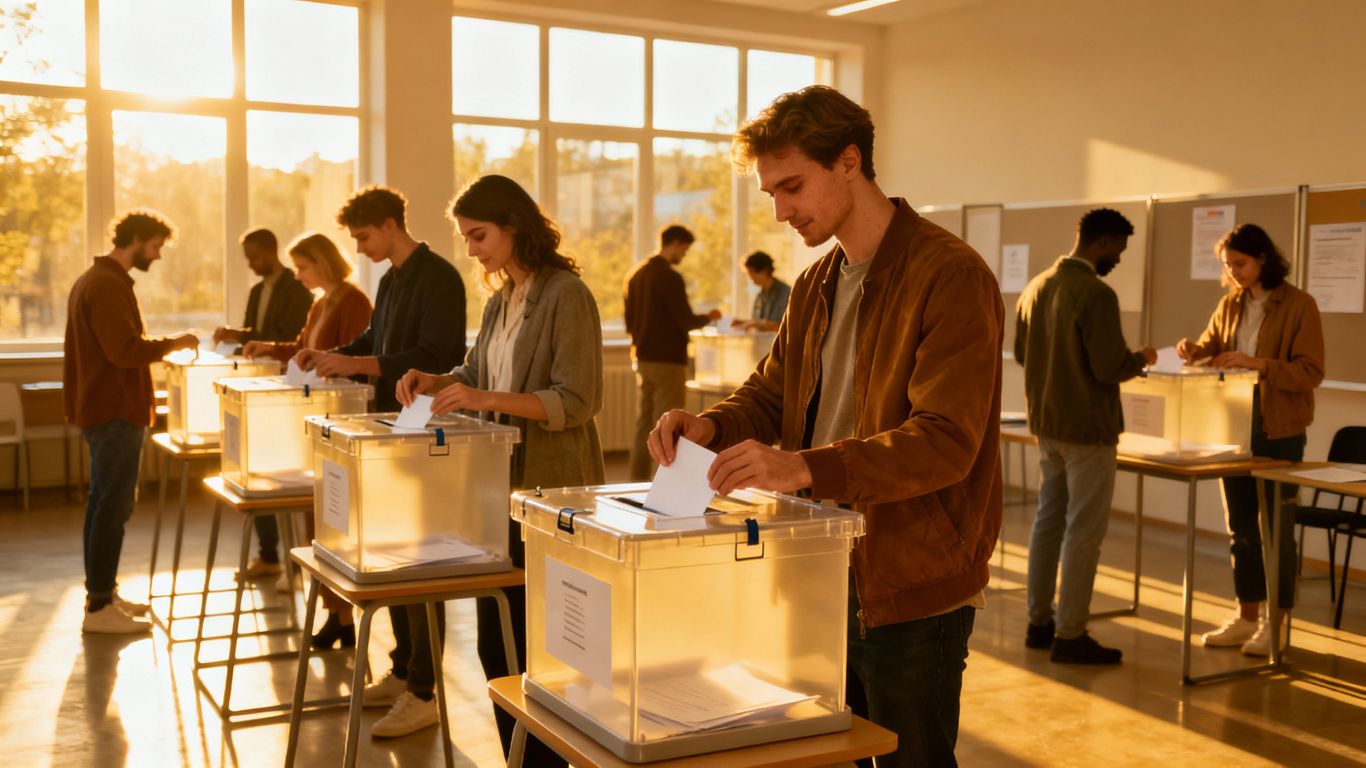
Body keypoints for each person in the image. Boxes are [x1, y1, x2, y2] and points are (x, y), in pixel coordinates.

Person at [648, 85, 1003, 768]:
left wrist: (805, 467)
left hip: (910, 583)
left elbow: (945, 441)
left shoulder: (950, 275)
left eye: (792, 187)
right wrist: (709, 427)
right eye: (771, 194)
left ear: (848, 161)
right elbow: (771, 392)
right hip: (818, 566)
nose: (780, 212)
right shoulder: (816, 284)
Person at [397, 173, 602, 765]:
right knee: (498, 641)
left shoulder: (566, 294)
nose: (471, 249)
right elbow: (476, 374)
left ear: (514, 226)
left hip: (553, 489)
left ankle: (547, 759)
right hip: (497, 488)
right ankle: (522, 758)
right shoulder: (499, 301)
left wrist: (483, 398)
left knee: (545, 645)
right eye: (465, 237)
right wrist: (435, 381)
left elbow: (577, 400)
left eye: (479, 235)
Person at [296, 185, 467, 738]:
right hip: (388, 429)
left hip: (425, 431)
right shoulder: (391, 280)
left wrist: (359, 365)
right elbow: (377, 339)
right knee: (393, 553)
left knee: (421, 561)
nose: (359, 248)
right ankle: (403, 670)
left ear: (392, 225)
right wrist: (335, 357)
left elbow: (436, 356)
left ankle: (424, 691)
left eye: (364, 236)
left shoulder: (440, 278)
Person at [1014, 208, 1157, 665]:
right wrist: (1142, 358)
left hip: (1047, 424)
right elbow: (1109, 367)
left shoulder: (1036, 286)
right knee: (1083, 531)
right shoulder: (1096, 293)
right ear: (1103, 242)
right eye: (1119, 250)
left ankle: (1039, 622)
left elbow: (1021, 353)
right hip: (1089, 429)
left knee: (1047, 522)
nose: (1119, 259)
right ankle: (1071, 632)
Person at [1180, 223, 1325, 656]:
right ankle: (1246, 617)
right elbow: (1211, 349)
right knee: (1240, 529)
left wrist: (1258, 363)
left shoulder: (1299, 305)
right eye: (1228, 265)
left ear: (1263, 258)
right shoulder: (1231, 303)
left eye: (1240, 263)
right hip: (1234, 427)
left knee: (1276, 531)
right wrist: (1193, 351)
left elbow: (1310, 372)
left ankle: (1274, 623)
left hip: (1280, 429)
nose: (1234, 272)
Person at [64, 210, 199, 634]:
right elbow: (123, 351)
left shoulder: (100, 280)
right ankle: (99, 607)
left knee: (104, 504)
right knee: (112, 506)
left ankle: (103, 594)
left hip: (106, 409)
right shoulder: (106, 285)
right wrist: (175, 343)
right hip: (114, 411)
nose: (157, 256)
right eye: (156, 246)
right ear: (136, 239)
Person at [242, 231, 373, 647]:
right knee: (318, 521)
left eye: (303, 267)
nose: (297, 275)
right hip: (319, 416)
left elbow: (354, 360)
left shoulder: (353, 301)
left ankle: (343, 614)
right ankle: (336, 614)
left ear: (323, 262)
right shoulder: (320, 303)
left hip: (344, 418)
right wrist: (268, 347)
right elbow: (302, 350)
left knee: (337, 521)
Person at [623, 224, 722, 480]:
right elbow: (684, 319)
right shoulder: (669, 277)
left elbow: (629, 321)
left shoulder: (635, 275)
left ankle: (637, 479)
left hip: (642, 357)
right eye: (685, 250)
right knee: (669, 426)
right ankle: (665, 483)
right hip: (668, 360)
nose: (684, 255)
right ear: (676, 243)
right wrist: (709, 317)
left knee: (644, 422)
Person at [212, 227, 313, 349]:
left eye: (255, 258)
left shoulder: (297, 287)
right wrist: (232, 335)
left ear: (272, 252)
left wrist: (240, 335)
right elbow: (253, 334)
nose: (250, 264)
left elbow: (291, 337)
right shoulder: (256, 291)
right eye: (248, 258)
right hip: (258, 359)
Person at [735, 250, 790, 331]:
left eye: (752, 273)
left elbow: (783, 325)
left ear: (764, 271)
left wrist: (754, 324)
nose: (750, 278)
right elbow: (759, 321)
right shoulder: (760, 295)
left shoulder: (785, 293)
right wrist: (741, 322)